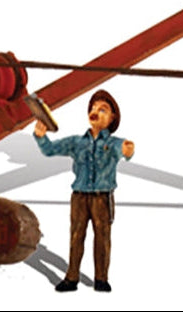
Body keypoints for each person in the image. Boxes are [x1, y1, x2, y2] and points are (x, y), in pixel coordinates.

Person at [33, 89, 135, 293]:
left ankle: (101, 278)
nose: (95, 112)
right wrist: (40, 137)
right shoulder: (76, 142)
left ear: (113, 117)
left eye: (103, 109)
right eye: (93, 108)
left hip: (102, 198)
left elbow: (124, 150)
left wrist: (128, 150)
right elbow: (49, 150)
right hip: (79, 197)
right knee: (76, 236)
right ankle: (72, 277)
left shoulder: (112, 143)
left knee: (102, 238)